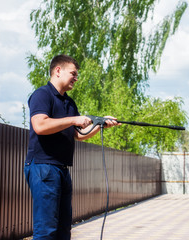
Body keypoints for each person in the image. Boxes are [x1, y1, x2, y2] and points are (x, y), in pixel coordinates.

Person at [24, 54, 119, 239]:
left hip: (61, 169)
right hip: (43, 167)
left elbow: (78, 134)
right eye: (73, 73)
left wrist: (101, 125)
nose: (76, 78)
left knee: (63, 230)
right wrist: (74, 119)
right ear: (58, 71)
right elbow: (40, 126)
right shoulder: (42, 94)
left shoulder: (69, 102)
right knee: (46, 230)